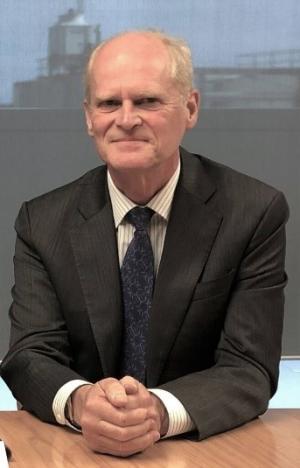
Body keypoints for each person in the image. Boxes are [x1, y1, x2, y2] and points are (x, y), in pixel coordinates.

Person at [1, 30, 288, 458]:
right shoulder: (43, 222)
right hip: (76, 451)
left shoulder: (253, 211)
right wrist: (83, 403)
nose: (127, 118)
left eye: (148, 101)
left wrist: (155, 411)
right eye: (109, 103)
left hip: (202, 452)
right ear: (88, 117)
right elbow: (29, 354)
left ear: (190, 108)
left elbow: (249, 367)